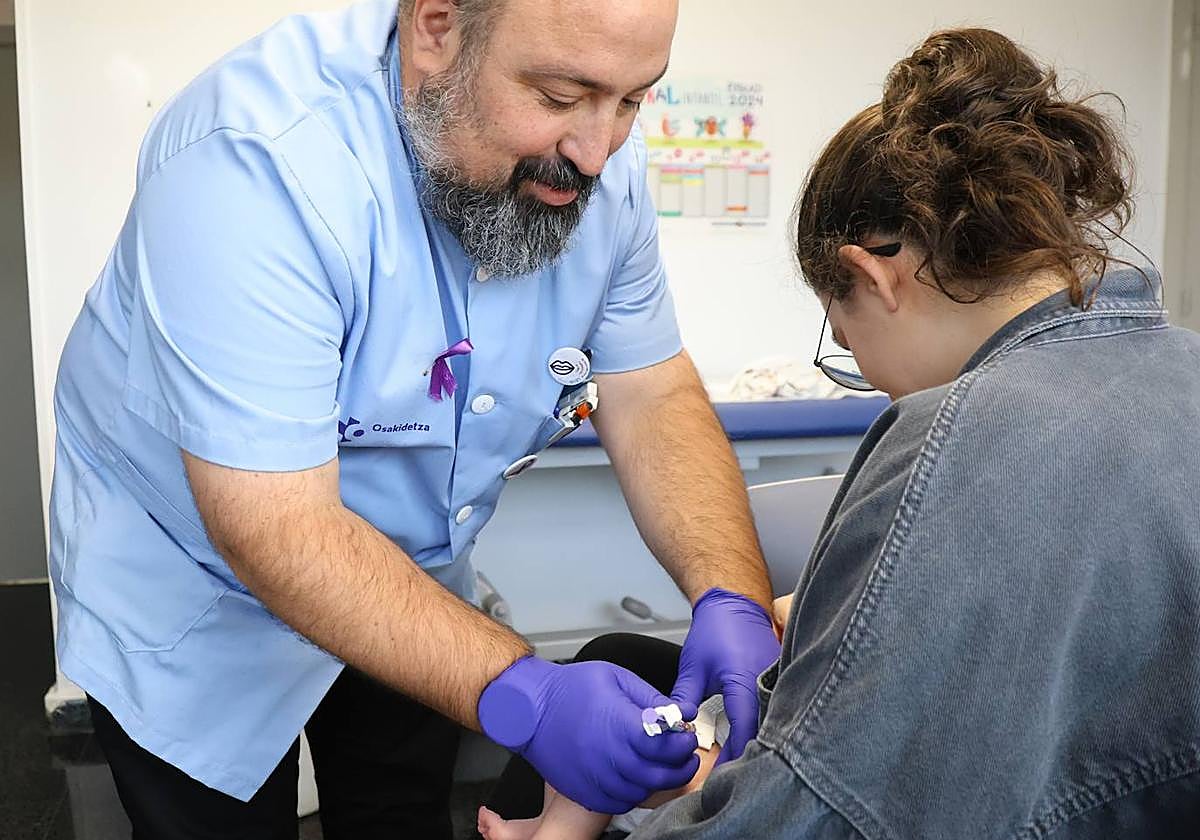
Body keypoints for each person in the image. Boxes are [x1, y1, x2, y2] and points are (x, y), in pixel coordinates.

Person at [47, 1, 781, 836]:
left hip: (408, 576)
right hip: (201, 590)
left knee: (399, 809)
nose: (597, 148)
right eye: (558, 94)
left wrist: (731, 593)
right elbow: (275, 526)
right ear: (436, 27)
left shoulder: (598, 149)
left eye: (633, 100)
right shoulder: (254, 163)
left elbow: (651, 390)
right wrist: (531, 695)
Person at [624, 27, 1200, 838]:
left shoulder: (950, 437)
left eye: (848, 344)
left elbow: (811, 815)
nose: (872, 378)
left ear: (870, 274)